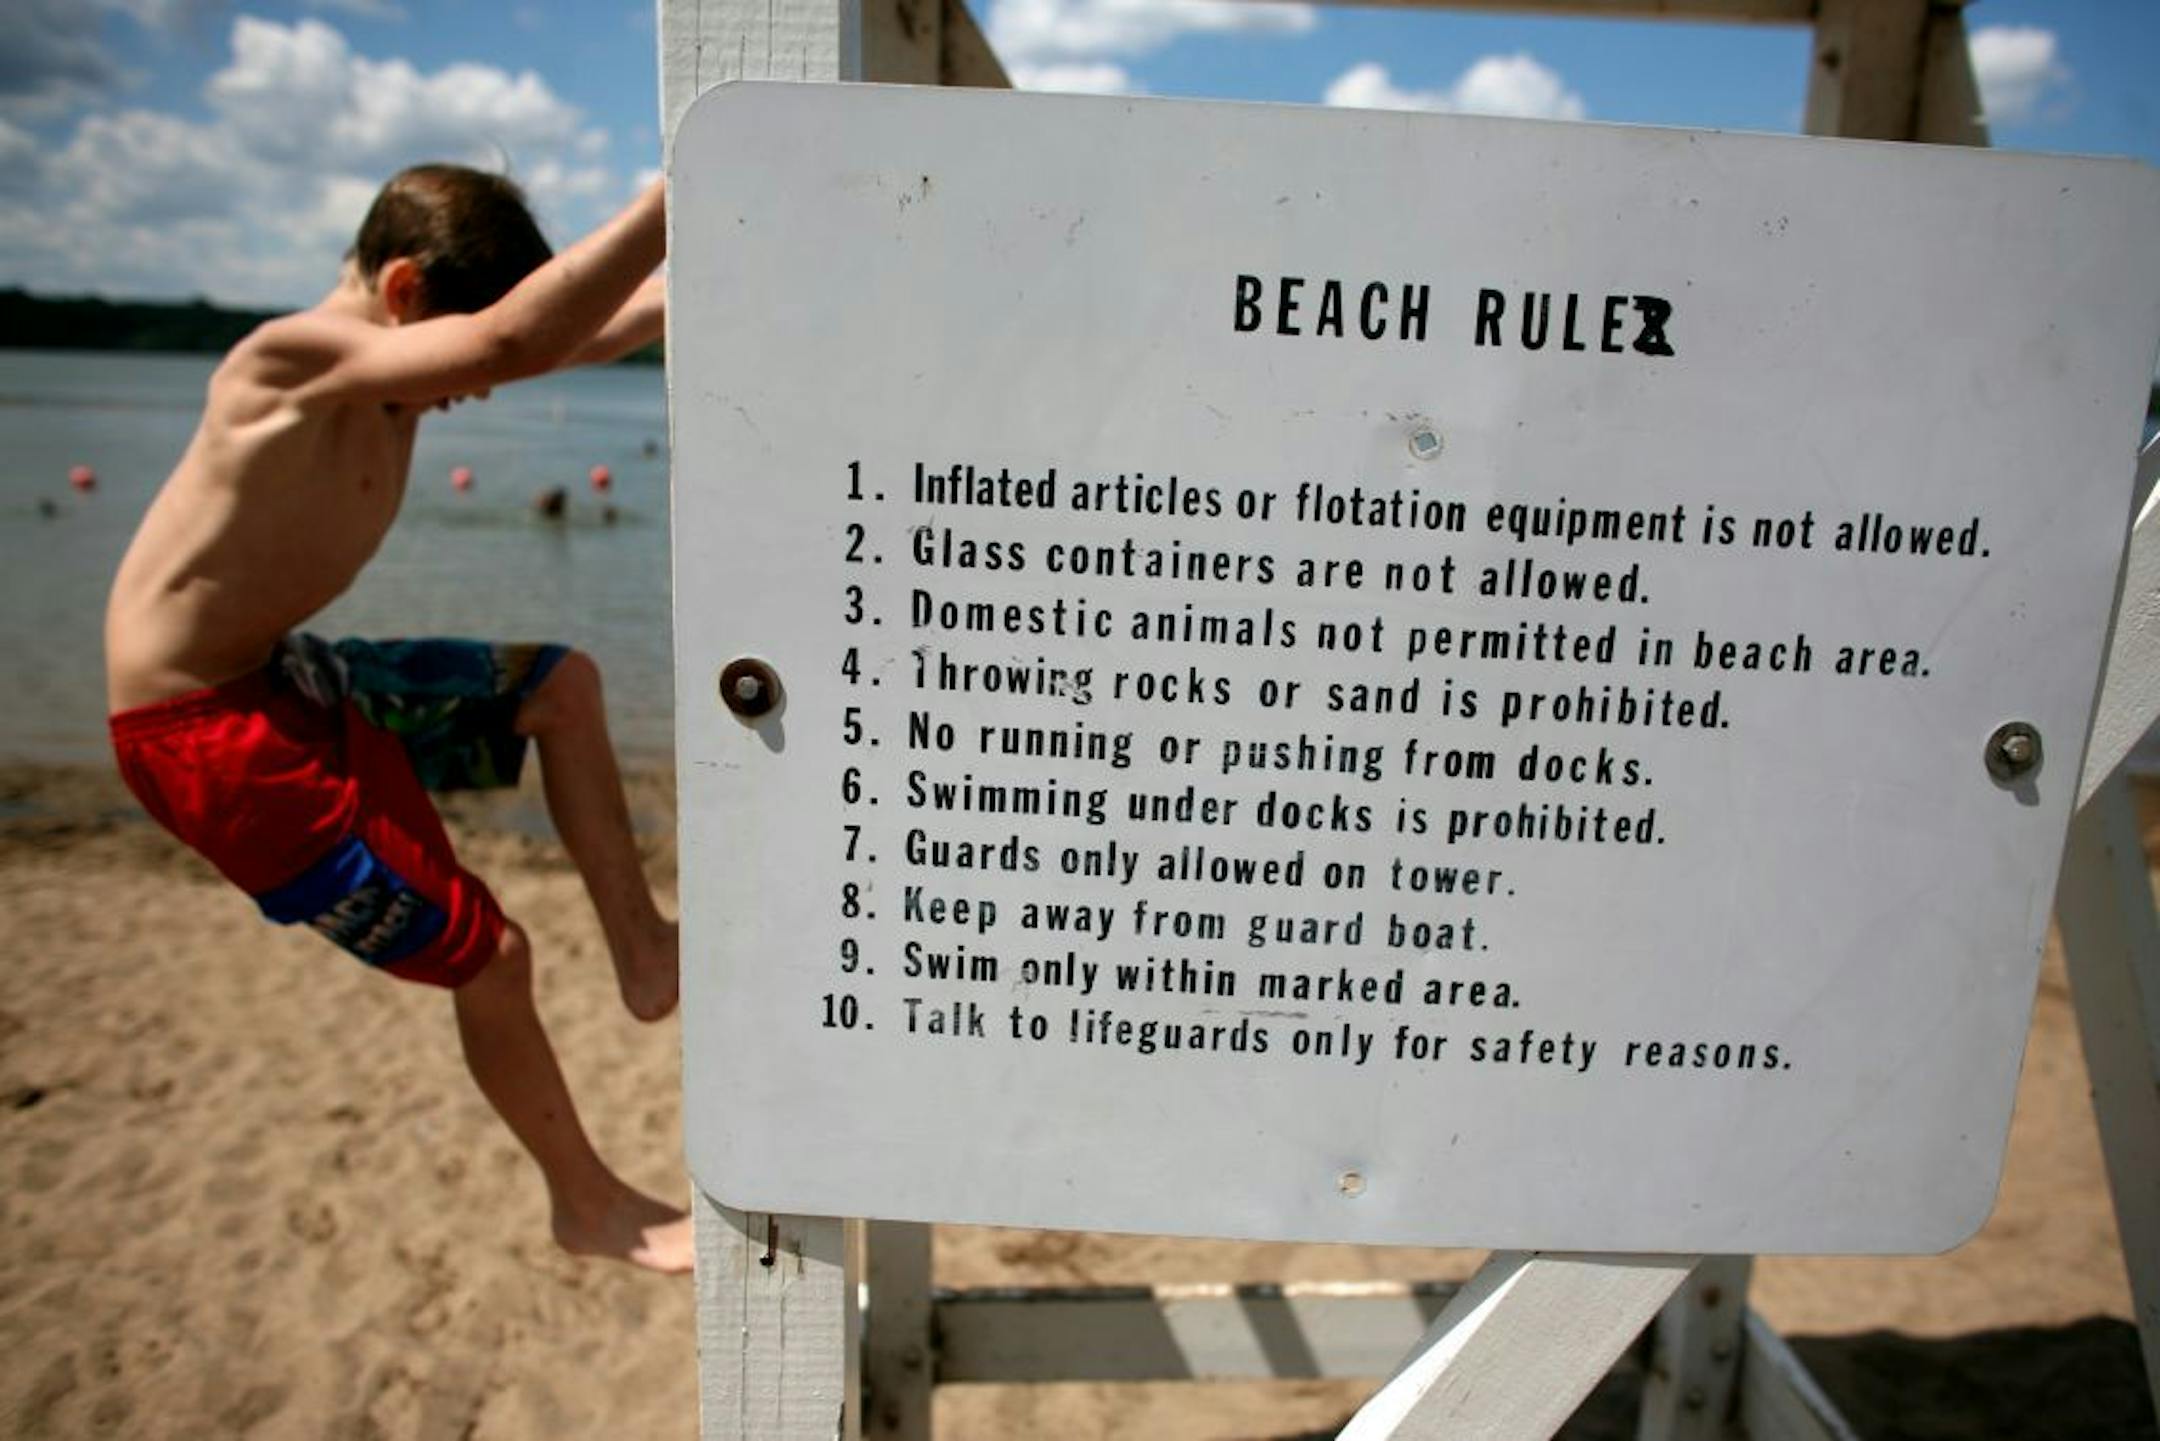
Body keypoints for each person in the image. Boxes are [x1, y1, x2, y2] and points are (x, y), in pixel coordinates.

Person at [103, 165, 691, 1274]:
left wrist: (714, 273)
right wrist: (674, 197)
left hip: (291, 680)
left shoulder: (398, 368)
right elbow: (505, 348)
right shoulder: (283, 362)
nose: (470, 396)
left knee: (559, 688)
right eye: (464, 347)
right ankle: (588, 1203)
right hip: (201, 738)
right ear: (406, 289)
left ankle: (646, 952)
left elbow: (573, 338)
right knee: (492, 956)